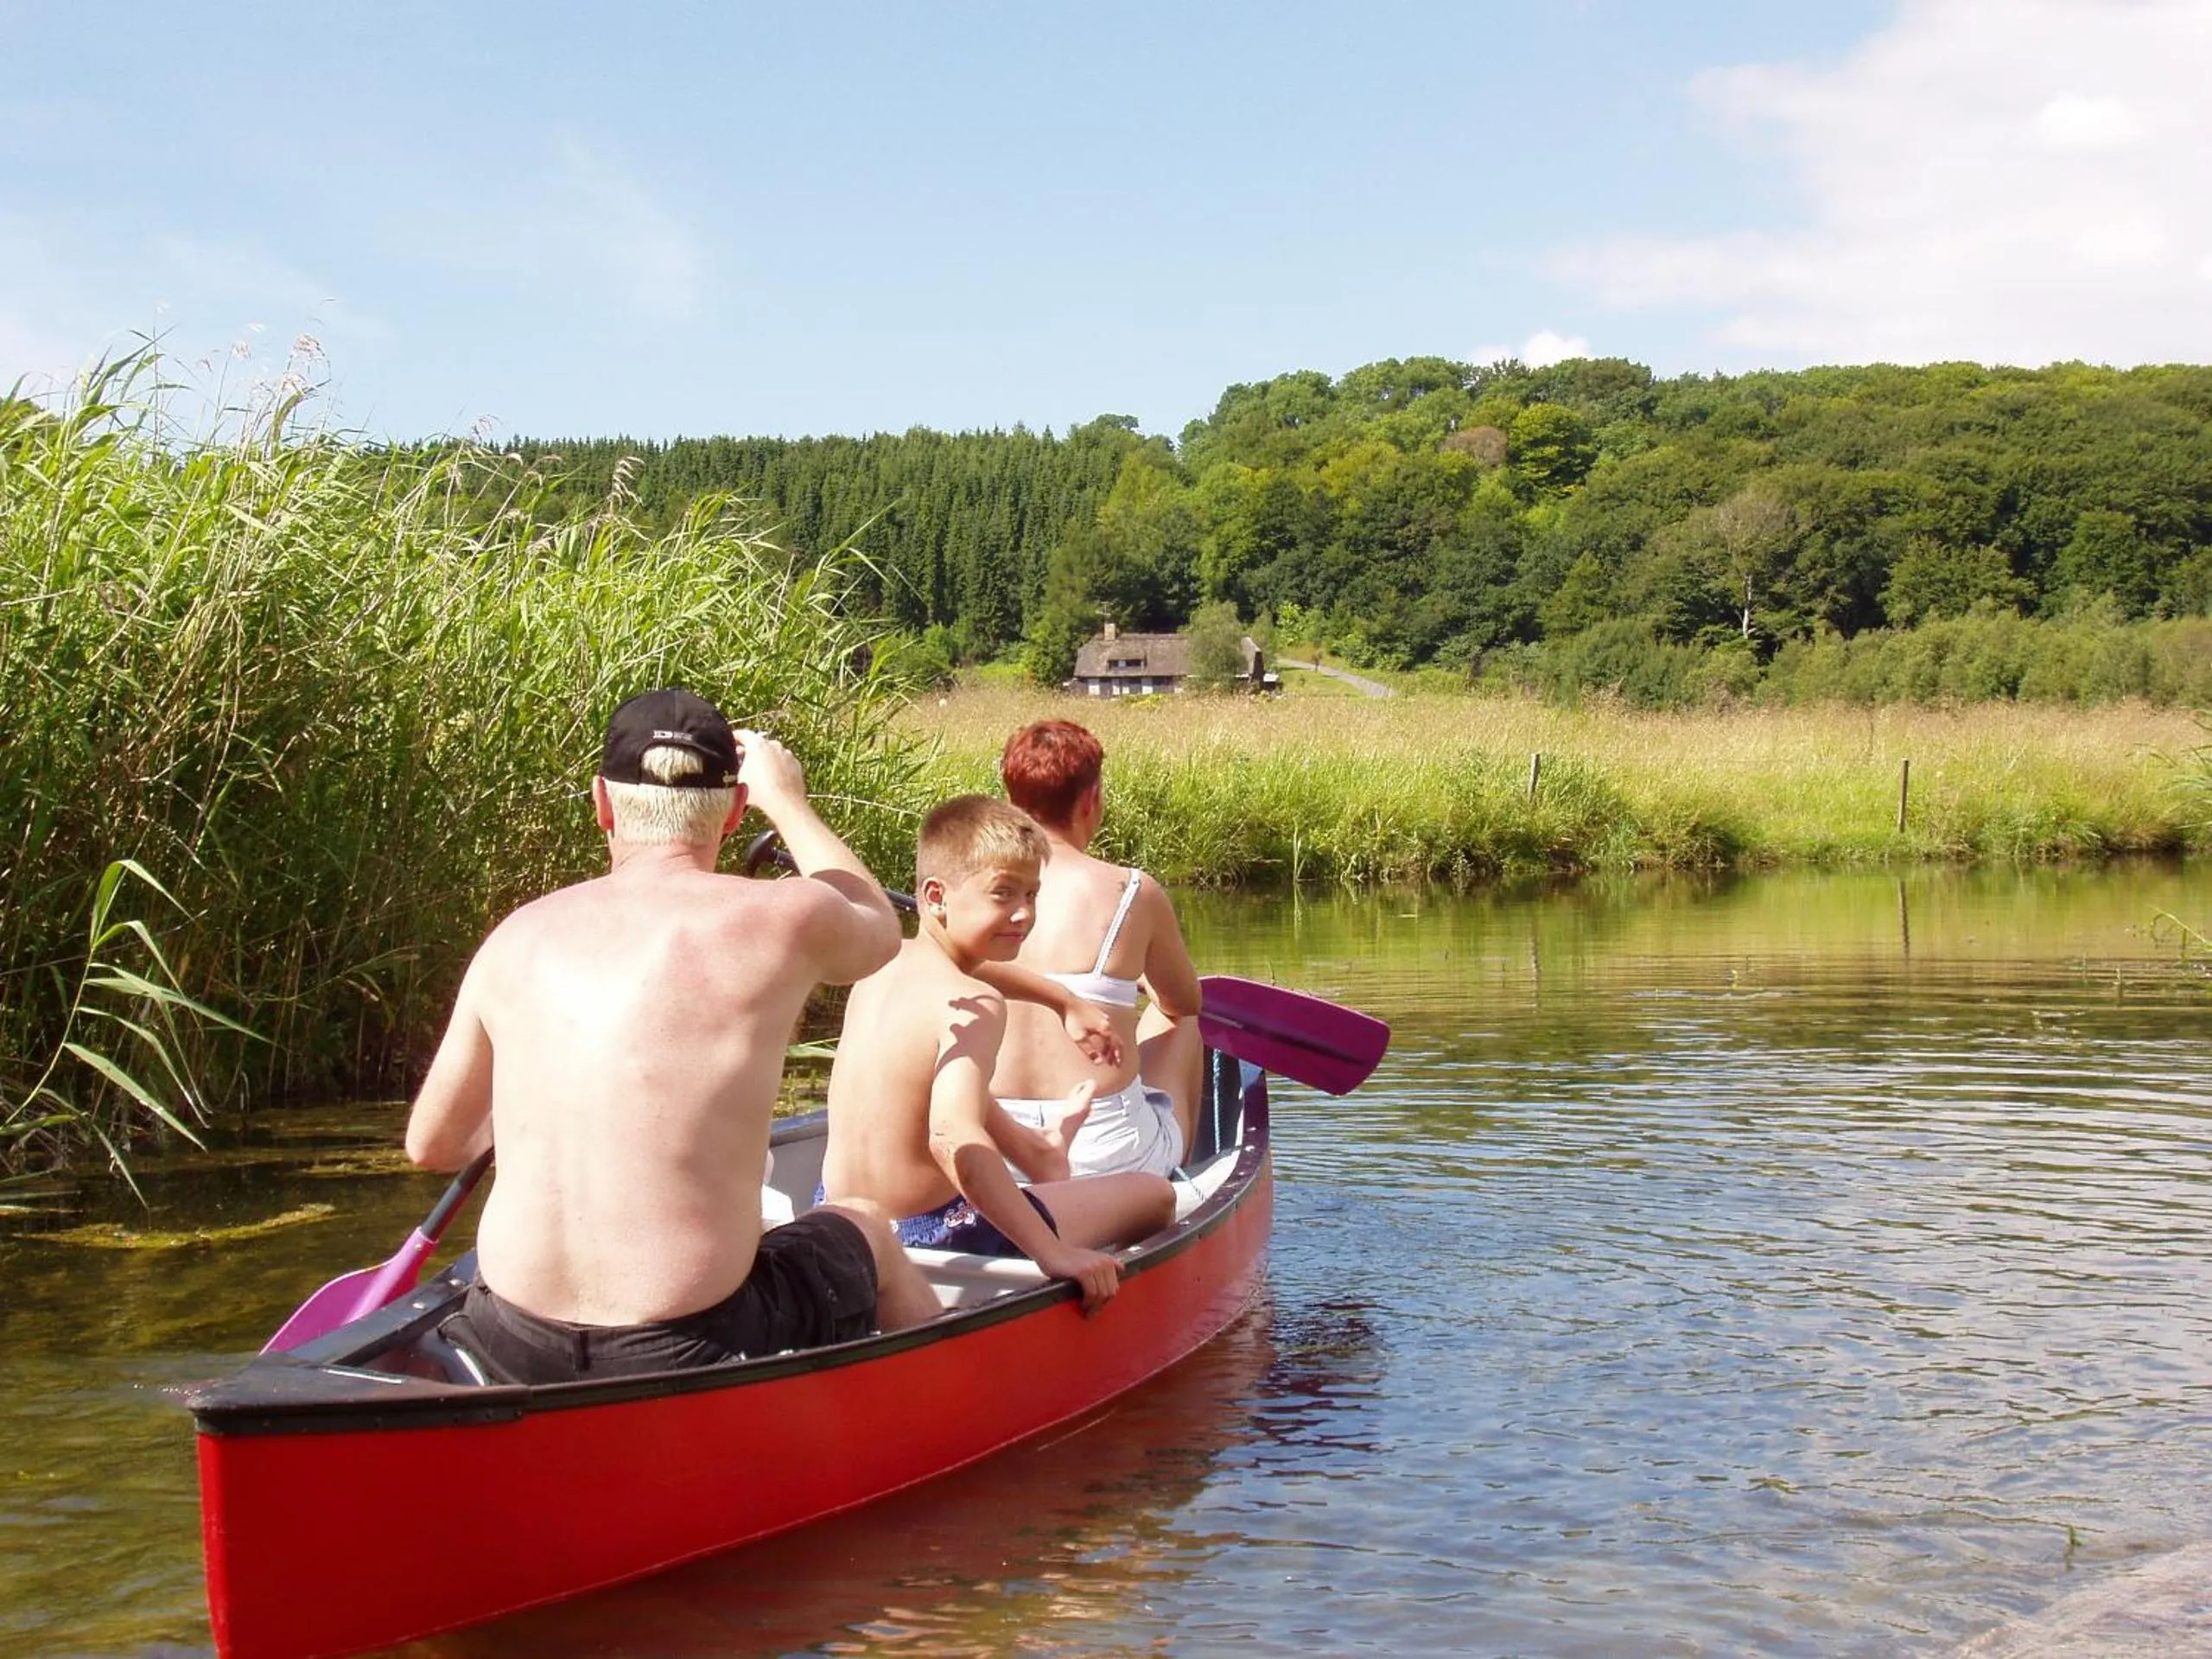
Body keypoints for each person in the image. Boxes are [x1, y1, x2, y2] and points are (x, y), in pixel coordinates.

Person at [405, 688, 940, 1385]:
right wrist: (789, 802)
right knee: (866, 1226)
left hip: (510, 1336)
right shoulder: (787, 917)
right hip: (688, 1342)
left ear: (602, 803)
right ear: (736, 811)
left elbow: (434, 1144)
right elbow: (879, 930)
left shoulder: (515, 937)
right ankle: (940, 1416)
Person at [820, 795, 1176, 1312]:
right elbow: (951, 1137)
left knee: (939, 1079)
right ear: (936, 896)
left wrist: (1063, 1001)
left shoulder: (882, 962)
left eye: (1032, 893)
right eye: (1002, 894)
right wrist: (1052, 1253)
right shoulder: (978, 1004)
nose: (1024, 912)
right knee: (1155, 1196)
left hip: (843, 1221)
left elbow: (974, 968)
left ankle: (1040, 1152)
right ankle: (1090, 1305)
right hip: (935, 1234)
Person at [991, 719, 1204, 1179]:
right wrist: (1138, 976)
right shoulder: (1134, 891)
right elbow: (1183, 1001)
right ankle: (1181, 1171)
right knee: (1183, 1020)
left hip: (995, 1150)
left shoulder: (968, 893)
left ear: (1009, 803)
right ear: (1091, 799)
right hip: (1104, 1157)